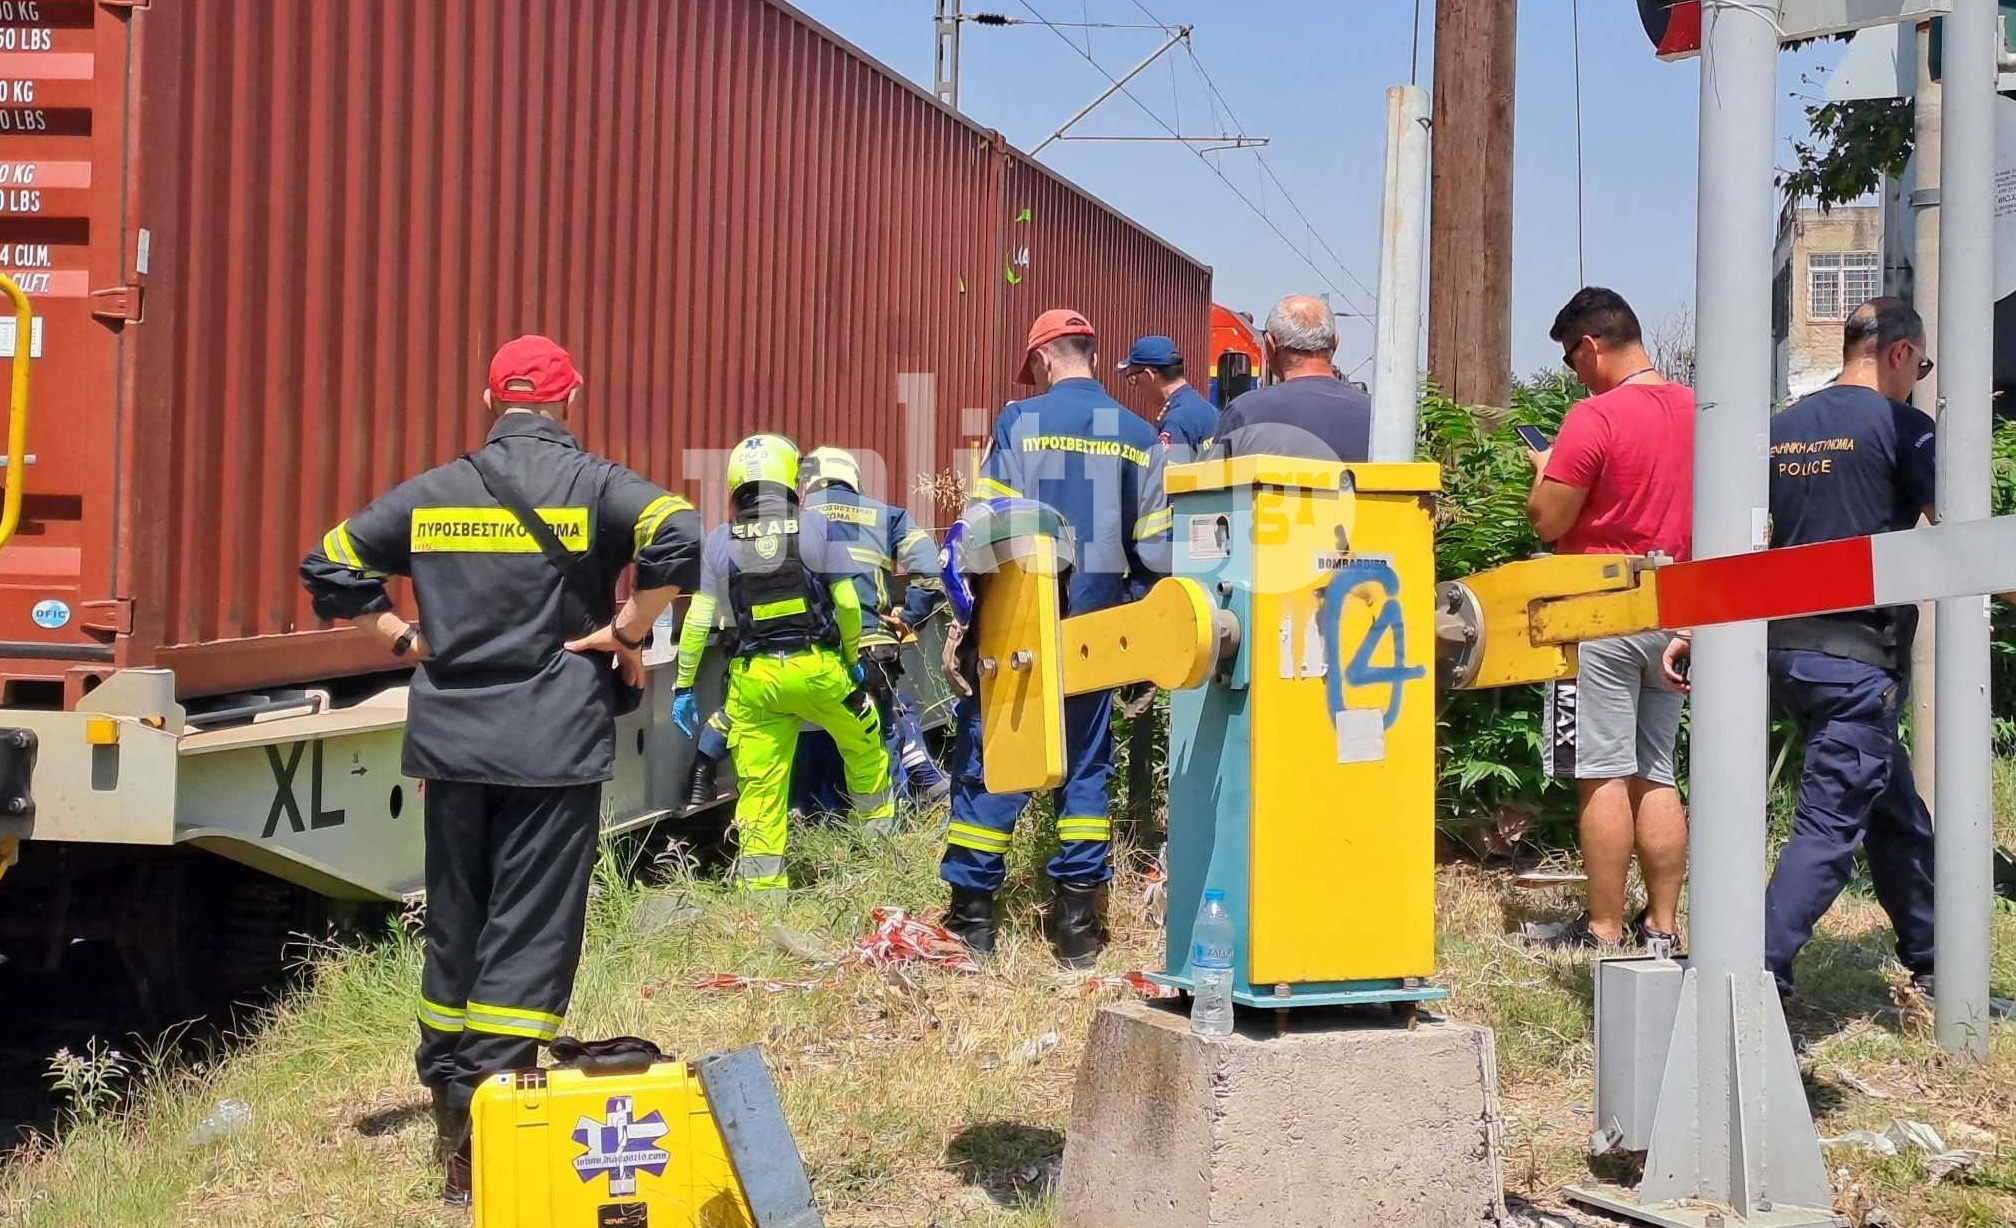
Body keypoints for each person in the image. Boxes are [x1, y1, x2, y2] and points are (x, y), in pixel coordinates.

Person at [299, 335, 703, 1202]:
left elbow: (330, 561)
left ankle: (447, 1085)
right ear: (572, 398)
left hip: (451, 740)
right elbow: (679, 533)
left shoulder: (435, 492)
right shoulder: (596, 485)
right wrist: (628, 633)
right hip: (552, 743)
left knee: (458, 917)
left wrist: (406, 640)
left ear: (490, 400)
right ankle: (483, 1120)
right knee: (529, 924)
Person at [1664, 296, 1937, 1001]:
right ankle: (1754, 973)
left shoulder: (1779, 429)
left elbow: (1734, 538)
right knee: (1829, 823)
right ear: (1901, 353)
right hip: (1856, 659)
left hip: (1781, 652)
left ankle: (1934, 955)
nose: (1920, 379)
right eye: (1923, 365)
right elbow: (1963, 539)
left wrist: (1691, 626)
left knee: (1891, 804)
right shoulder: (1905, 429)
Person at [948, 308, 1172, 967]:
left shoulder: (1020, 421)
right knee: (1085, 772)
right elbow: (1157, 551)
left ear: (1045, 359)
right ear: (1091, 354)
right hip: (1100, 630)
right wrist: (1132, 625)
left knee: (997, 764)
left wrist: (972, 618)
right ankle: (1076, 931)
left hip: (1022, 623)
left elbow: (985, 529)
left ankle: (974, 924)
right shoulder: (1139, 437)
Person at [1526, 287, 1694, 952]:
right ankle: (1661, 926)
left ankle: (1600, 928)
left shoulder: (1593, 419)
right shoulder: (1695, 409)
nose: (1575, 372)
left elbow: (1550, 520)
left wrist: (1544, 473)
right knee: (1655, 769)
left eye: (1572, 359)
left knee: (1600, 771)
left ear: (1591, 345)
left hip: (1597, 611)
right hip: (1676, 608)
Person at [669, 434, 895, 893]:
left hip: (755, 683)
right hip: (819, 670)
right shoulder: (816, 529)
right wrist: (852, 661)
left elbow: (696, 621)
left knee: (759, 791)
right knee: (866, 751)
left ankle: (762, 899)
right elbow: (849, 605)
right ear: (792, 482)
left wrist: (683, 687)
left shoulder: (718, 541)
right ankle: (880, 861)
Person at [1208, 294, 1371, 462]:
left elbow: (1212, 484)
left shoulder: (1244, 413)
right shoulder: (1374, 414)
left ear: (1270, 346)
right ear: (1335, 344)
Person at [1118, 335, 1217, 461]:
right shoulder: (1210, 410)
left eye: (1133, 379)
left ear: (1149, 375)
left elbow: (1168, 477)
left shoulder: (1174, 422)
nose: (1135, 387)